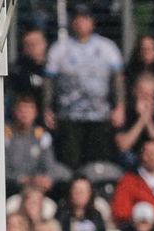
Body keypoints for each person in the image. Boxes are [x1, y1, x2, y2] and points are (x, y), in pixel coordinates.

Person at [44, 6, 124, 168]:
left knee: (98, 163)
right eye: (77, 19)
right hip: (69, 116)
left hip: (100, 116)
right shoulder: (59, 49)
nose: (81, 23)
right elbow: (49, 81)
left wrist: (120, 106)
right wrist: (47, 108)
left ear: (92, 23)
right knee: (71, 162)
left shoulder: (107, 47)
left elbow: (117, 80)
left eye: (85, 19)